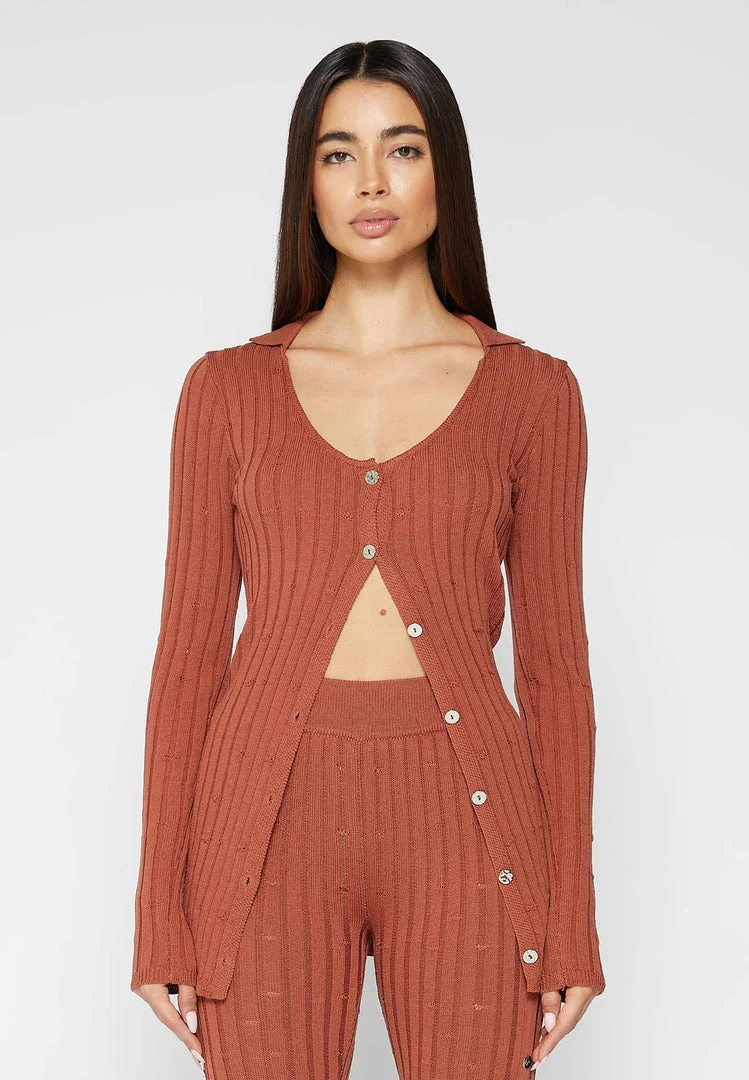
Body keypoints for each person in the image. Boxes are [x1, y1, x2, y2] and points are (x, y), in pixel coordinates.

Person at [130, 38, 606, 1080]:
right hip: (263, 830)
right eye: (338, 154)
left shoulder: (533, 393)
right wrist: (159, 915)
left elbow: (555, 673)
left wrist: (570, 920)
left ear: (445, 172)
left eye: (403, 148)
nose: (372, 182)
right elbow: (187, 665)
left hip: (468, 827)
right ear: (306, 183)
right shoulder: (225, 391)